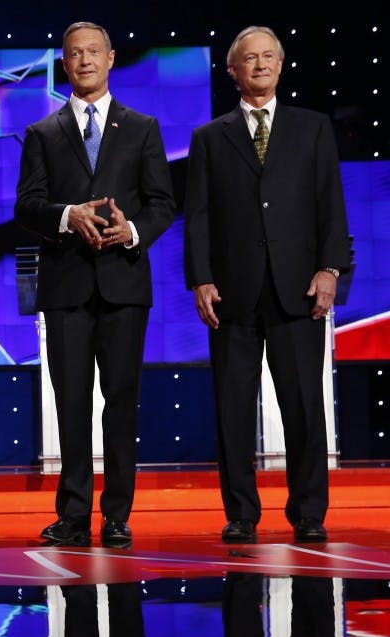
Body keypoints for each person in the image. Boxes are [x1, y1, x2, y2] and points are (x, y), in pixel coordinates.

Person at [183, 25, 352, 544]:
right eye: (248, 59)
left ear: (281, 66)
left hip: (298, 288)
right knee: (233, 408)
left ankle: (308, 512)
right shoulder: (210, 137)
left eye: (268, 57)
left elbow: (330, 204)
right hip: (232, 292)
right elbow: (200, 216)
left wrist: (331, 267)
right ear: (232, 71)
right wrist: (200, 279)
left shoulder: (313, 128)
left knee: (304, 406)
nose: (259, 65)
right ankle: (241, 513)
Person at [14, 21, 175, 548]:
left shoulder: (142, 127)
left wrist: (132, 231)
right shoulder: (42, 133)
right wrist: (67, 216)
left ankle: (118, 514)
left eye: (93, 52)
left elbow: (162, 204)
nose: (84, 60)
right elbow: (27, 206)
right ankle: (74, 514)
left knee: (122, 400)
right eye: (74, 54)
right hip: (66, 286)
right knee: (73, 403)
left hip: (124, 284)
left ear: (110, 59)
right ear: (64, 65)